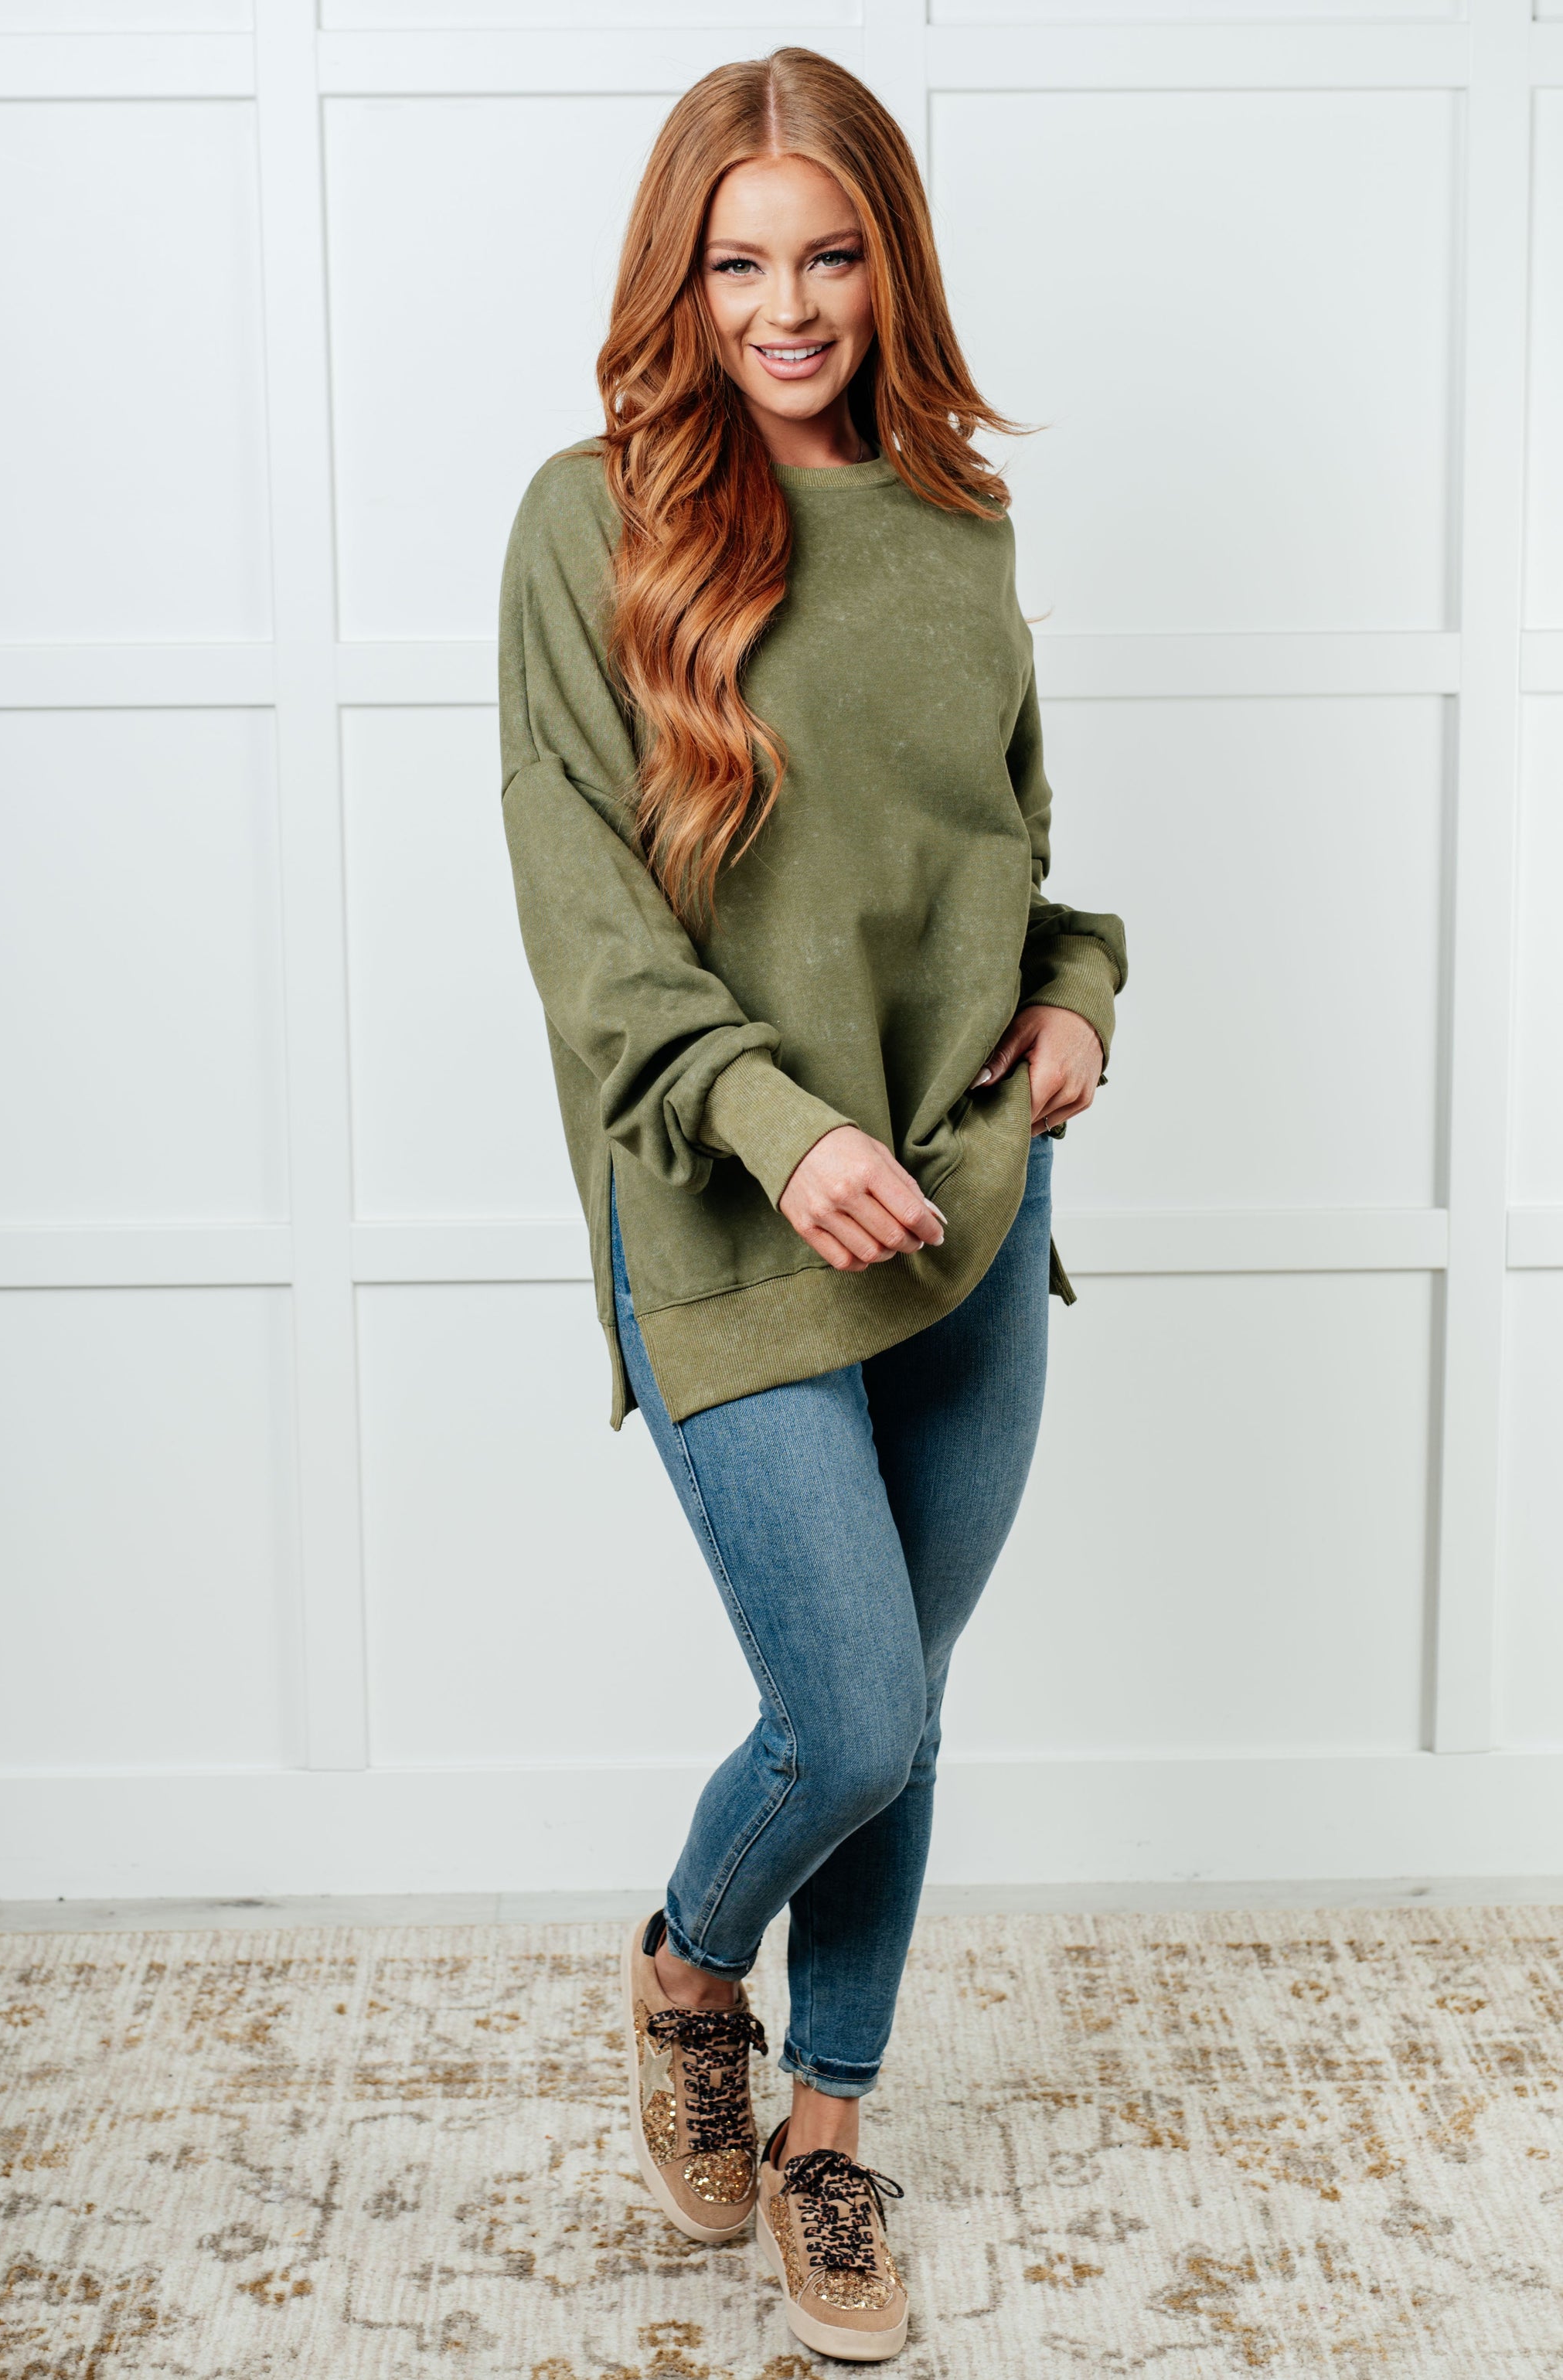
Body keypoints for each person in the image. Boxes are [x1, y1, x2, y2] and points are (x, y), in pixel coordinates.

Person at [496, 46, 1126, 2365]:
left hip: (965, 1202)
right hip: (731, 1207)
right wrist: (780, 1127)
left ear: (892, 266)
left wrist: (1076, 1007)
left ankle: (829, 2129)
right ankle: (692, 1970)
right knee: (845, 1714)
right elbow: (590, 927)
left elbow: (1014, 871)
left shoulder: (961, 530)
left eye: (831, 255)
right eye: (738, 264)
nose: (786, 308)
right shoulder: (590, 524)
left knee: (912, 1709)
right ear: (679, 280)